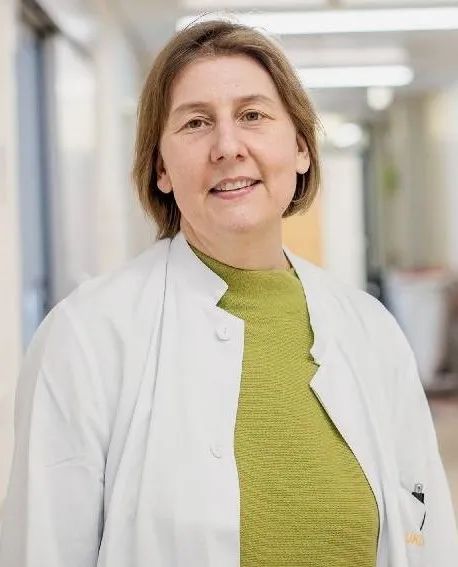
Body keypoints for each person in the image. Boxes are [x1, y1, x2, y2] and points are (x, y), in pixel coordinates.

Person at [0, 18, 457, 567]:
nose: (227, 146)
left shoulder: (372, 330)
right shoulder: (86, 337)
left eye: (252, 115)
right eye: (195, 123)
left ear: (301, 148)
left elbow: (430, 540)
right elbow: (43, 551)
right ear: (161, 168)